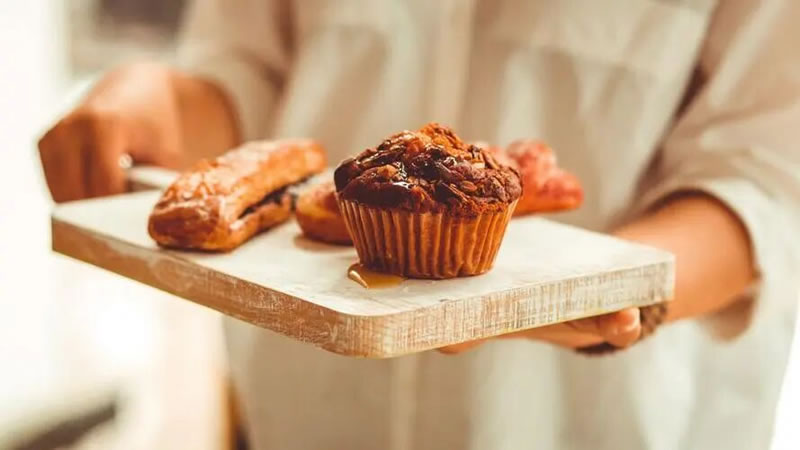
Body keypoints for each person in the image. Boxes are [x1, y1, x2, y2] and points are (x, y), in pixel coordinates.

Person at [38, 1, 800, 449]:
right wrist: (164, 100)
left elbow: (764, 176)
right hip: (302, 405)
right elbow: (249, 70)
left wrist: (604, 291)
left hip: (599, 420)